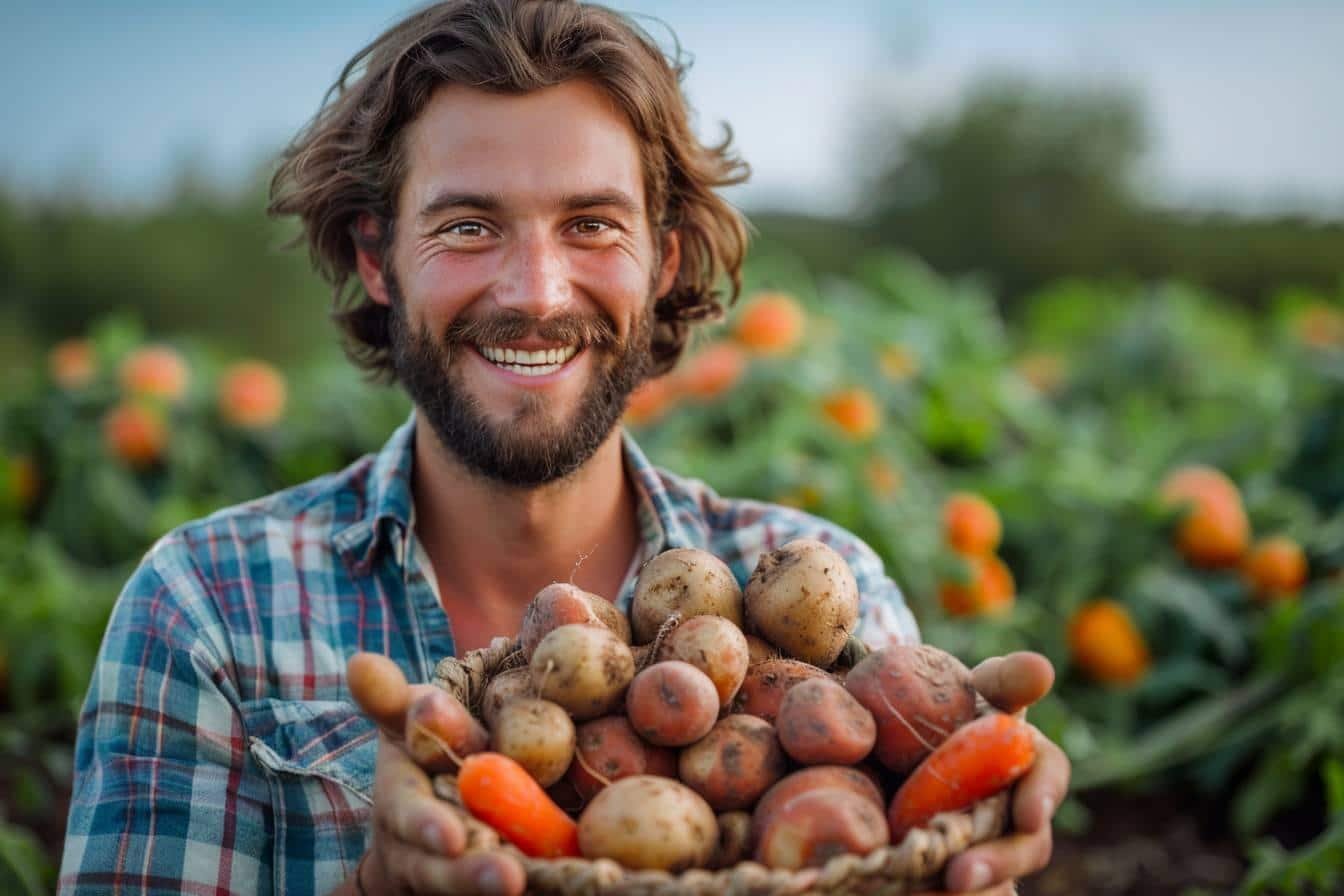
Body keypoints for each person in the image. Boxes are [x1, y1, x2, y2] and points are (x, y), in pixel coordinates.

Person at [59, 1, 1069, 894]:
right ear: (377, 258)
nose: (536, 292)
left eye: (590, 223)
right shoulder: (208, 608)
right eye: (467, 226)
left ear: (663, 261)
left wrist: (959, 831)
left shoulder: (826, 597)